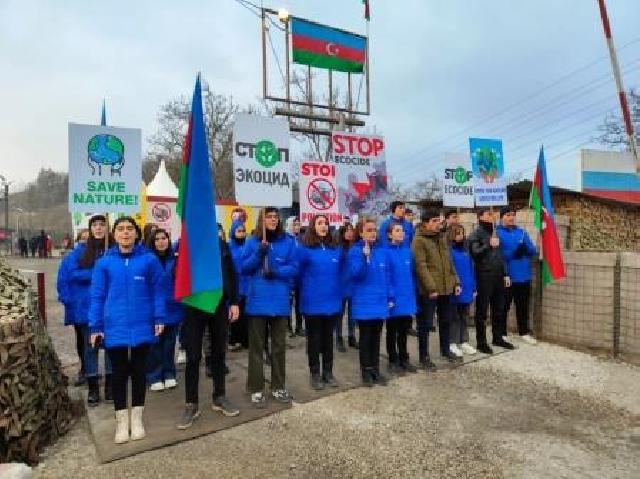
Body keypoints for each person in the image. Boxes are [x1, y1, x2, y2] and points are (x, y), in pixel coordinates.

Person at [89, 216, 165, 444]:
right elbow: (97, 296)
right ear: (114, 235)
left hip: (143, 324)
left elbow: (158, 291)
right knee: (119, 375)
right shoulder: (104, 263)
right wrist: (96, 326)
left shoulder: (149, 260)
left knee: (140, 372)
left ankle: (137, 418)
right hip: (115, 327)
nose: (125, 233)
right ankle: (122, 422)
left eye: (129, 229)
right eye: (120, 229)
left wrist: (159, 316)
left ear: (136, 233)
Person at [176, 225, 241, 429]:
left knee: (219, 353)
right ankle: (191, 403)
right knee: (194, 356)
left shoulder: (221, 245)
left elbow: (232, 274)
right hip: (195, 305)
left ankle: (219, 396)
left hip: (219, 304)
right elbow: (177, 275)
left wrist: (235, 301)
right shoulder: (186, 247)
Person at [242, 208, 298, 408]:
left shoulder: (288, 242)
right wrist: (259, 253)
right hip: (257, 301)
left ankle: (278, 385)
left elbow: (294, 267)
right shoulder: (252, 242)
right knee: (257, 348)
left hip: (280, 302)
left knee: (278, 347)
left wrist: (276, 271)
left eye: (276, 217)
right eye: (269, 217)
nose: (273, 220)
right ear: (262, 220)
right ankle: (256, 388)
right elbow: (244, 267)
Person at [68, 215, 113, 406]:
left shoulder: (113, 249)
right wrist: (96, 272)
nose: (98, 228)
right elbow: (72, 273)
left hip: (111, 307)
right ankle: (93, 387)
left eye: (102, 224)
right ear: (90, 228)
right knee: (90, 347)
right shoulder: (82, 251)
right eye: (95, 225)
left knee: (112, 347)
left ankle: (110, 385)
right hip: (90, 307)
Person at [412, 209, 462, 368]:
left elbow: (449, 262)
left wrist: (456, 282)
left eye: (438, 221)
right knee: (425, 324)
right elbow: (421, 266)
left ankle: (445, 349)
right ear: (425, 223)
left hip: (446, 288)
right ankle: (424, 356)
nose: (437, 224)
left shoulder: (441, 238)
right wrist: (431, 288)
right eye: (433, 221)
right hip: (429, 291)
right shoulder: (419, 240)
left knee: (446, 321)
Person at [298, 214, 342, 390]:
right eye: (320, 223)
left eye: (326, 223)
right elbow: (298, 274)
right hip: (312, 302)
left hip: (332, 301)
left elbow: (341, 273)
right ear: (313, 226)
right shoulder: (305, 249)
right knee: (314, 340)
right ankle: (315, 374)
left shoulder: (335, 249)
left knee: (328, 339)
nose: (324, 226)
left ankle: (328, 372)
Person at [348, 216, 393, 387]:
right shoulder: (355, 251)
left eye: (374, 230)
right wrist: (364, 258)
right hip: (364, 302)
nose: (373, 233)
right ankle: (365, 371)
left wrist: (390, 296)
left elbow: (387, 277)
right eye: (368, 230)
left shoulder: (381, 251)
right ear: (361, 233)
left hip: (379, 301)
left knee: (376, 337)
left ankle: (375, 369)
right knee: (366, 338)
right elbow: (356, 274)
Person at [468, 207, 514, 353]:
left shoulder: (495, 232)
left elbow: (501, 256)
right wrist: (488, 244)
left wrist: (506, 274)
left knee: (499, 309)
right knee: (482, 311)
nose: (492, 216)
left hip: (498, 276)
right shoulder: (476, 234)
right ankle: (481, 342)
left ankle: (497, 337)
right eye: (489, 214)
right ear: (481, 217)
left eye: (493, 213)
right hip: (484, 276)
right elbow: (475, 253)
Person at [147, 229, 183, 391]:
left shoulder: (175, 259)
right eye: (157, 239)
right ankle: (154, 375)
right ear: (152, 242)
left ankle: (169, 373)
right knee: (155, 345)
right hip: (153, 308)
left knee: (169, 344)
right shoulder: (147, 260)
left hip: (173, 307)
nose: (161, 241)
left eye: (164, 238)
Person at [496, 206, 538, 345]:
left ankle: (524, 332)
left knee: (523, 306)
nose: (511, 217)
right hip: (508, 276)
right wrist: (513, 253)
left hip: (524, 275)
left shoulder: (522, 232)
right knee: (504, 306)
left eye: (513, 215)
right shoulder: (497, 233)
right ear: (502, 217)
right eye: (508, 215)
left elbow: (532, 250)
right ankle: (501, 332)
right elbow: (498, 255)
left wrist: (525, 249)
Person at [56, 230, 90, 386]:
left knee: (84, 340)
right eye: (83, 238)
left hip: (82, 305)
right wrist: (67, 299)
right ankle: (86, 369)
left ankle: (87, 369)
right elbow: (64, 279)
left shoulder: (104, 255)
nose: (85, 240)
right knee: (83, 340)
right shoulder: (71, 258)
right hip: (79, 305)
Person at [385, 223, 418, 374]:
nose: (401, 233)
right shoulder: (385, 253)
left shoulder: (407, 252)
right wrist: (390, 296)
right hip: (393, 299)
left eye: (402, 231)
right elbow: (386, 277)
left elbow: (411, 274)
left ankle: (404, 358)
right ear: (389, 234)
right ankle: (392, 359)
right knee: (392, 331)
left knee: (404, 331)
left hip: (406, 297)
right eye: (397, 230)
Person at [449, 225, 478, 357]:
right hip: (456, 288)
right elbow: (451, 270)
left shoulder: (466, 250)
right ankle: (452, 342)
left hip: (467, 287)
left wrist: (474, 287)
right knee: (454, 316)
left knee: (464, 315)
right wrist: (455, 284)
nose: (460, 236)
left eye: (462, 233)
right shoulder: (449, 251)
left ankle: (464, 340)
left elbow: (472, 269)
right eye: (457, 233)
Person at [334, 224, 357, 351]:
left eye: (351, 230)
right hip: (341, 285)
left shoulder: (355, 247)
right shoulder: (338, 249)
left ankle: (352, 337)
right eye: (347, 231)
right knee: (339, 314)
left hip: (353, 285)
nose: (349, 233)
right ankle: (339, 338)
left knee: (353, 313)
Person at [228, 220, 249, 350]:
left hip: (248, 285)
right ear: (233, 232)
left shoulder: (248, 246)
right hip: (235, 285)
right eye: (238, 231)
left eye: (243, 231)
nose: (241, 234)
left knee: (247, 315)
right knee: (236, 314)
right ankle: (234, 340)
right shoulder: (229, 247)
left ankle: (246, 340)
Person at [286, 216, 304, 336]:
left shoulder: (301, 239)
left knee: (300, 303)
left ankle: (299, 326)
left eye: (298, 224)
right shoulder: (286, 239)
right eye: (294, 224)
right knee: (288, 303)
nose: (297, 227)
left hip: (300, 277)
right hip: (289, 277)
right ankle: (288, 327)